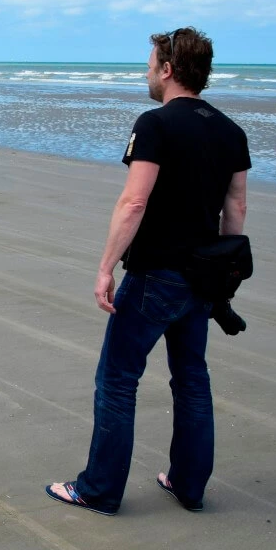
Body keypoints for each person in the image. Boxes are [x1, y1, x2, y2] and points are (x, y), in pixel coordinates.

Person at [45, 27, 250, 516]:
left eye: (151, 62)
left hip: (156, 274)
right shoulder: (231, 132)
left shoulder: (156, 124)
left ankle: (99, 489)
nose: (146, 71)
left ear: (168, 69)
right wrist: (221, 273)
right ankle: (188, 485)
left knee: (117, 379)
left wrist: (104, 267)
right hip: (201, 279)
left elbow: (134, 201)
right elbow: (235, 210)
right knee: (192, 379)